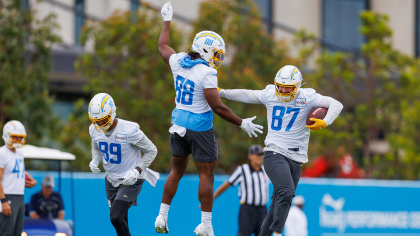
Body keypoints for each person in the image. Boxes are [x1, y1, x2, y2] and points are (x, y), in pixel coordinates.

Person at [155, 3, 263, 236]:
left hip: (178, 123)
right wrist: (241, 122)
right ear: (205, 51)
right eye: (216, 53)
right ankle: (206, 224)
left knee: (176, 171)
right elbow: (217, 106)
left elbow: (163, 46)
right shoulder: (206, 71)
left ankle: (162, 216)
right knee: (206, 175)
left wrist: (167, 20)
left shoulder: (179, 60)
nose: (218, 59)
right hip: (199, 126)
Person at [218, 65, 343, 236]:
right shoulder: (270, 93)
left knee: (279, 201)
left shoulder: (308, 96)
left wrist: (326, 121)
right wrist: (222, 92)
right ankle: (278, 234)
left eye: (288, 87)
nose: (283, 90)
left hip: (297, 157)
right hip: (275, 152)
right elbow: (247, 94)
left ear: (298, 86)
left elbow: (336, 104)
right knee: (286, 191)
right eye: (280, 85)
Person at [88, 93, 159, 236]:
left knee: (115, 217)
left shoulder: (129, 130)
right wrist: (96, 159)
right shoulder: (93, 129)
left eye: (103, 120)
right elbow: (96, 145)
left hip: (131, 178)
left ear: (112, 113)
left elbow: (152, 150)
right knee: (121, 221)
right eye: (96, 121)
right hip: (110, 179)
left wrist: (137, 170)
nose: (99, 124)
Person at [213, 145, 269, 236]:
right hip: (247, 210)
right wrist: (213, 197)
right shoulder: (242, 170)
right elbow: (227, 184)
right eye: (257, 154)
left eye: (261, 155)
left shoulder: (265, 170)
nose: (260, 157)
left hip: (262, 210)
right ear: (250, 156)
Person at [0, 120, 37, 236]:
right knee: (7, 232)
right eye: (15, 137)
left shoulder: (19, 153)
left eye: (20, 137)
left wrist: (31, 179)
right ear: (7, 136)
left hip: (20, 197)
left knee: (17, 232)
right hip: (7, 196)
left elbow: (18, 170)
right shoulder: (2, 153)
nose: (18, 140)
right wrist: (3, 201)